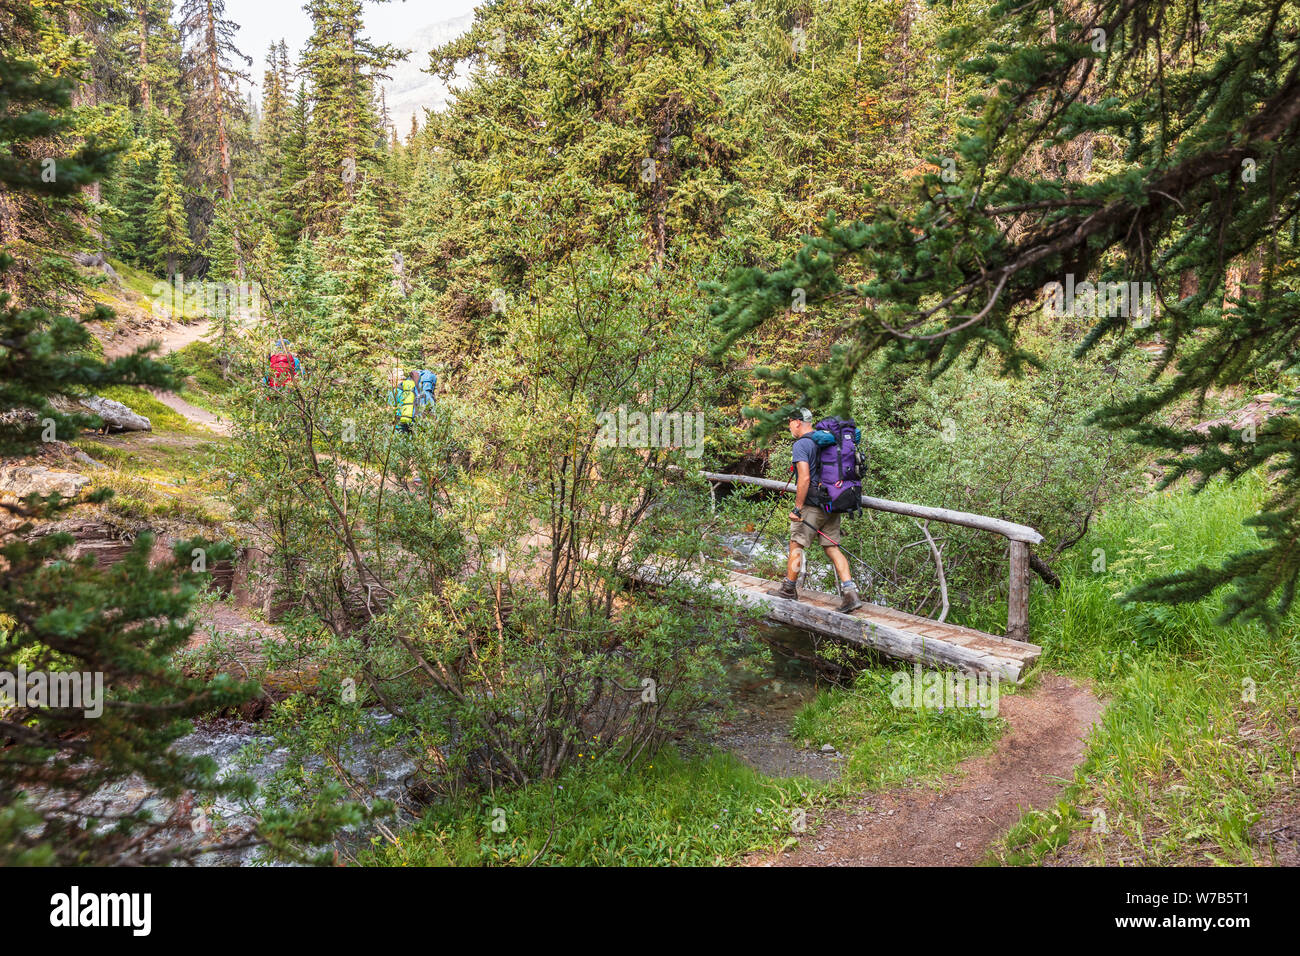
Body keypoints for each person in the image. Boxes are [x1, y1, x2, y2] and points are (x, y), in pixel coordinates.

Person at [769, 408, 863, 613]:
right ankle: (850, 593)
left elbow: (804, 478)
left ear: (796, 422)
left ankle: (788, 589)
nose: (789, 428)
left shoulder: (802, 444)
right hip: (833, 502)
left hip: (812, 505)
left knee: (796, 544)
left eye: (789, 423)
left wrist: (798, 508)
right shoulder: (827, 440)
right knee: (832, 547)